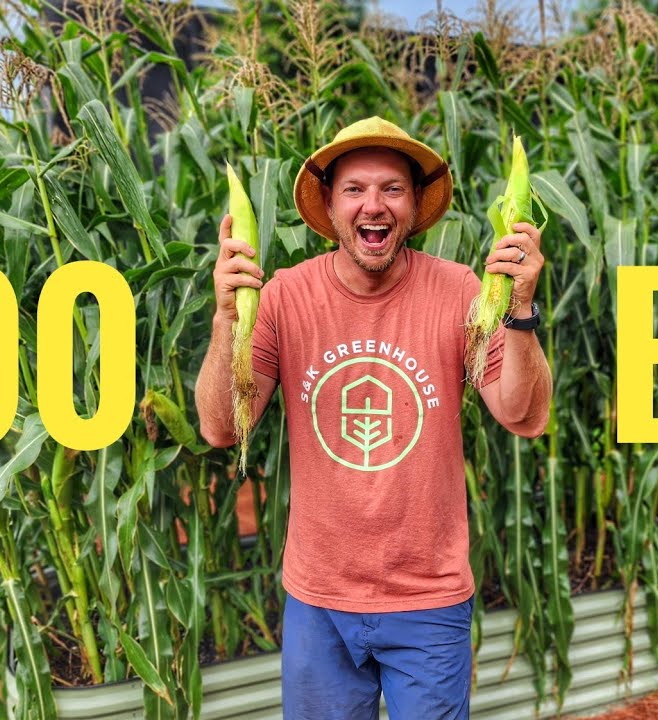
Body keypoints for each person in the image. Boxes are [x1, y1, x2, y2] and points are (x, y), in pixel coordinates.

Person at [194, 117, 553, 719]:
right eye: (355, 189)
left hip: (428, 600)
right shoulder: (283, 296)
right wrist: (226, 320)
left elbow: (524, 414)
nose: (374, 205)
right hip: (319, 602)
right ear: (331, 206)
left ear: (413, 205)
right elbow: (221, 428)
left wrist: (519, 309)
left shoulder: (460, 291)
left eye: (392, 188)